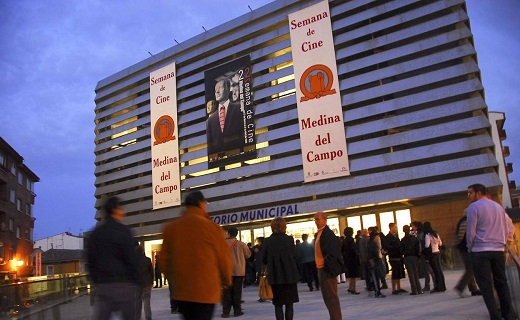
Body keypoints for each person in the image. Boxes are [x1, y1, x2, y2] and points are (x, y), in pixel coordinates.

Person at [160, 191, 232, 320]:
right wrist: (226, 280)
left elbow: (164, 261)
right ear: (201, 204)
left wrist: (175, 279)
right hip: (206, 290)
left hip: (182, 291)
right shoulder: (212, 228)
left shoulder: (171, 228)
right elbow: (223, 258)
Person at [86, 196, 142, 320]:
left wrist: (97, 280)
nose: (123, 211)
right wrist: (136, 279)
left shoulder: (96, 233)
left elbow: (90, 261)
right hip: (124, 285)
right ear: (116, 210)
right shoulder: (124, 231)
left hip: (104, 285)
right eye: (121, 208)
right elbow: (131, 258)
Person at [466, 183, 516, 320]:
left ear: (478, 193)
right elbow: (507, 226)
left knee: (486, 286)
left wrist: (470, 248)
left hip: (481, 250)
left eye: (470, 193)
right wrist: (505, 242)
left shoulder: (473, 207)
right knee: (501, 282)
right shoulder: (498, 207)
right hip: (498, 249)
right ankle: (509, 314)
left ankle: (495, 316)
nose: (468, 196)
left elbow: (471, 231)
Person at [262, 217, 300, 320]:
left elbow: (264, 259)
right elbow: (294, 255)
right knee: (289, 304)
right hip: (290, 275)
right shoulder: (289, 240)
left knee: (278, 305)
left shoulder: (267, 241)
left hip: (275, 276)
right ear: (284, 226)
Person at [313, 212, 344, 320]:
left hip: (326, 270)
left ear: (325, 219)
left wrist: (326, 267)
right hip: (322, 268)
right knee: (328, 298)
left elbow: (332, 252)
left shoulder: (327, 234)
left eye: (318, 219)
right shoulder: (319, 233)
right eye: (315, 219)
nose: (316, 221)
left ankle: (336, 318)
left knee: (331, 298)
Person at [206, 78, 245, 156]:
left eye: (220, 88)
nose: (217, 92)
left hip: (239, 154)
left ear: (228, 89)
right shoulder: (210, 120)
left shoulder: (239, 108)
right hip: (219, 160)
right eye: (215, 90)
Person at [221, 226, 251, 318]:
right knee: (237, 292)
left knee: (226, 292)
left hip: (226, 271)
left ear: (228, 233)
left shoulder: (222, 244)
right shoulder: (241, 244)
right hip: (239, 271)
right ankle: (237, 311)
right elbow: (248, 255)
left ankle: (226, 312)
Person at [454, 208, 481, 297]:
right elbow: (461, 235)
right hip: (466, 248)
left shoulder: (463, 220)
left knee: (470, 269)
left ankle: (473, 289)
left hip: (465, 248)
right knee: (471, 269)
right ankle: (460, 287)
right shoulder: (465, 221)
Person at [411, 221, 434, 291]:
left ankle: (431, 284)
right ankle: (429, 284)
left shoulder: (420, 234)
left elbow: (420, 243)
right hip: (423, 253)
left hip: (423, 254)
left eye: (413, 226)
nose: (412, 228)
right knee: (427, 270)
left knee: (428, 270)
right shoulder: (420, 233)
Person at [423, 221, 446, 293]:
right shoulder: (435, 233)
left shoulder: (427, 235)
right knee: (439, 270)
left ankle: (437, 287)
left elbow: (427, 245)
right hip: (437, 252)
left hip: (432, 254)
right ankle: (442, 286)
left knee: (435, 271)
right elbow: (440, 243)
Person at [401, 225, 422, 295]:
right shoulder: (414, 238)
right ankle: (419, 289)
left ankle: (414, 290)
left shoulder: (403, 240)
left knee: (411, 274)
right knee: (416, 273)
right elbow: (418, 248)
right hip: (414, 257)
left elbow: (401, 250)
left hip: (407, 257)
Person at [385, 222, 406, 295]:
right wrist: (395, 248)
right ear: (391, 228)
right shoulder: (388, 237)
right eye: (395, 227)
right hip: (393, 257)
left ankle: (399, 287)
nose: (396, 229)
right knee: (395, 273)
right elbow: (387, 247)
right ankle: (394, 289)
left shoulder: (395, 236)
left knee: (399, 273)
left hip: (398, 257)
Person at [136, 245, 153, 320]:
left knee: (137, 302)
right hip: (147, 283)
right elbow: (151, 272)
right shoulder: (147, 260)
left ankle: (137, 317)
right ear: (143, 251)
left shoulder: (134, 261)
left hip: (137, 284)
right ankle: (148, 317)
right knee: (147, 301)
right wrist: (151, 281)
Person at [367, 231, 386, 298]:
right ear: (374, 237)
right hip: (374, 263)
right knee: (375, 277)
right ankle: (377, 292)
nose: (379, 238)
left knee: (377, 277)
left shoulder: (374, 243)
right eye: (378, 236)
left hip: (376, 262)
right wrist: (373, 264)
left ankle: (378, 290)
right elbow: (370, 255)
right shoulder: (371, 244)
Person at [341, 227, 359, 294]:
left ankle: (350, 287)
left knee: (351, 274)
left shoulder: (344, 240)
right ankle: (353, 289)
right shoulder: (351, 240)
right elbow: (353, 249)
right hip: (352, 259)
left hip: (347, 259)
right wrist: (357, 254)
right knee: (353, 275)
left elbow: (342, 250)